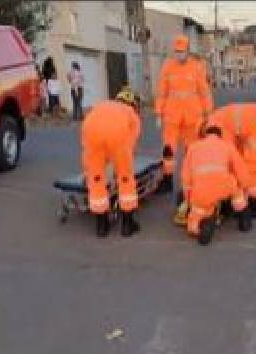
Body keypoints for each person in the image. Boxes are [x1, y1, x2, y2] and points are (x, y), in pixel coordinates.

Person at [155, 35, 213, 194]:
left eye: (182, 51)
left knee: (192, 150)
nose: (179, 54)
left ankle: (191, 180)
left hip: (193, 117)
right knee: (168, 149)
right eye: (177, 51)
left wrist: (208, 113)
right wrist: (158, 113)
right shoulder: (167, 67)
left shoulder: (197, 67)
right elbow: (162, 92)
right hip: (172, 116)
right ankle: (167, 180)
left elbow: (204, 92)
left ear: (188, 51)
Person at [80, 88, 142, 238]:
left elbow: (88, 149)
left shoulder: (103, 105)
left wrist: (90, 170)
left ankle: (101, 226)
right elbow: (129, 148)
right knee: (126, 179)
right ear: (133, 104)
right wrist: (120, 169)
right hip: (117, 132)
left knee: (96, 179)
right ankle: (127, 225)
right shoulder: (131, 114)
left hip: (90, 128)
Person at [205, 103, 256, 219]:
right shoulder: (217, 117)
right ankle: (255, 205)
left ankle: (248, 206)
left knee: (250, 167)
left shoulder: (216, 127)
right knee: (252, 167)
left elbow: (229, 157)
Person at [181, 123, 253, 245]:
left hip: (201, 189)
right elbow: (240, 168)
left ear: (204, 135)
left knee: (198, 213)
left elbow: (186, 175)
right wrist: (245, 185)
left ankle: (198, 228)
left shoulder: (193, 147)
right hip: (224, 185)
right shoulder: (227, 146)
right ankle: (243, 218)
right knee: (238, 194)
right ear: (220, 135)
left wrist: (188, 197)